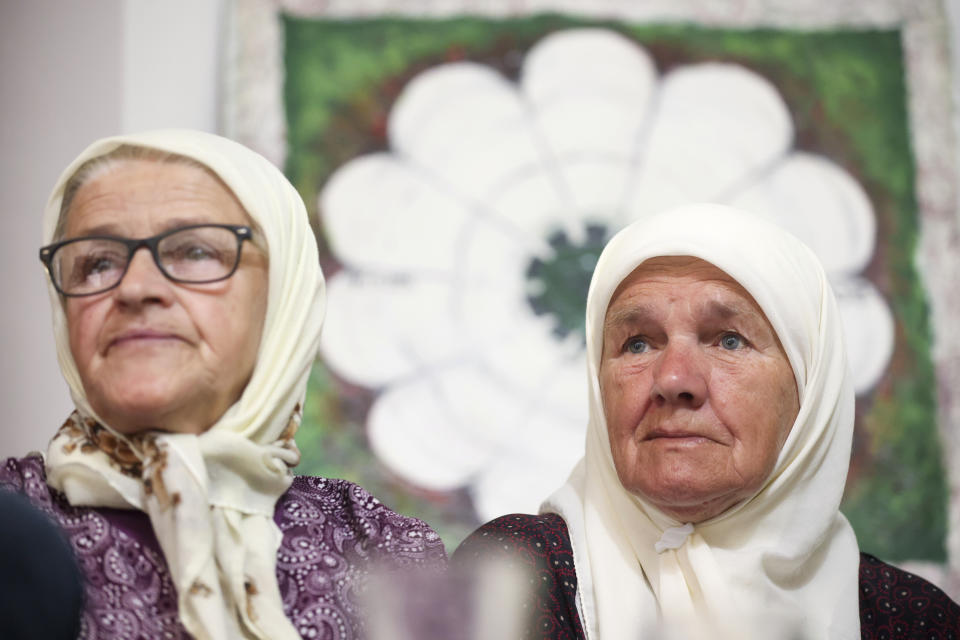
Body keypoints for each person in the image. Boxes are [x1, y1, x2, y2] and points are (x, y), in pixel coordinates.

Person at [0, 129, 445, 640]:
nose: (137, 288)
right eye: (98, 262)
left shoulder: (378, 546)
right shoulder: (9, 533)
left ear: (281, 298)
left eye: (192, 251)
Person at [453, 204, 960, 639]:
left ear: (809, 387)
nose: (673, 378)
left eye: (729, 339)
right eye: (638, 343)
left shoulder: (913, 621)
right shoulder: (514, 577)